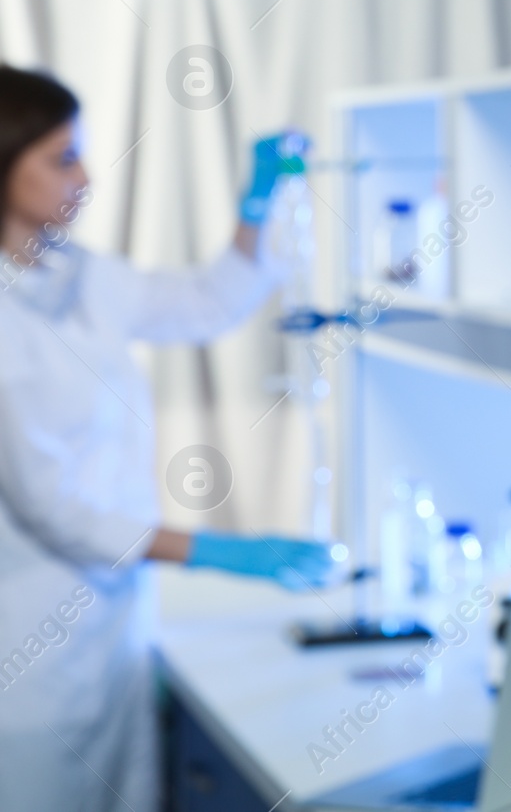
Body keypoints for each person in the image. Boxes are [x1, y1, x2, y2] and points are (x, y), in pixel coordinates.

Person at [0, 66, 334, 812]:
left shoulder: (76, 274)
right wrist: (221, 550)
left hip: (111, 636)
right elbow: (56, 509)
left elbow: (202, 304)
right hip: (27, 668)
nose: (85, 176)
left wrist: (257, 204)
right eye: (62, 159)